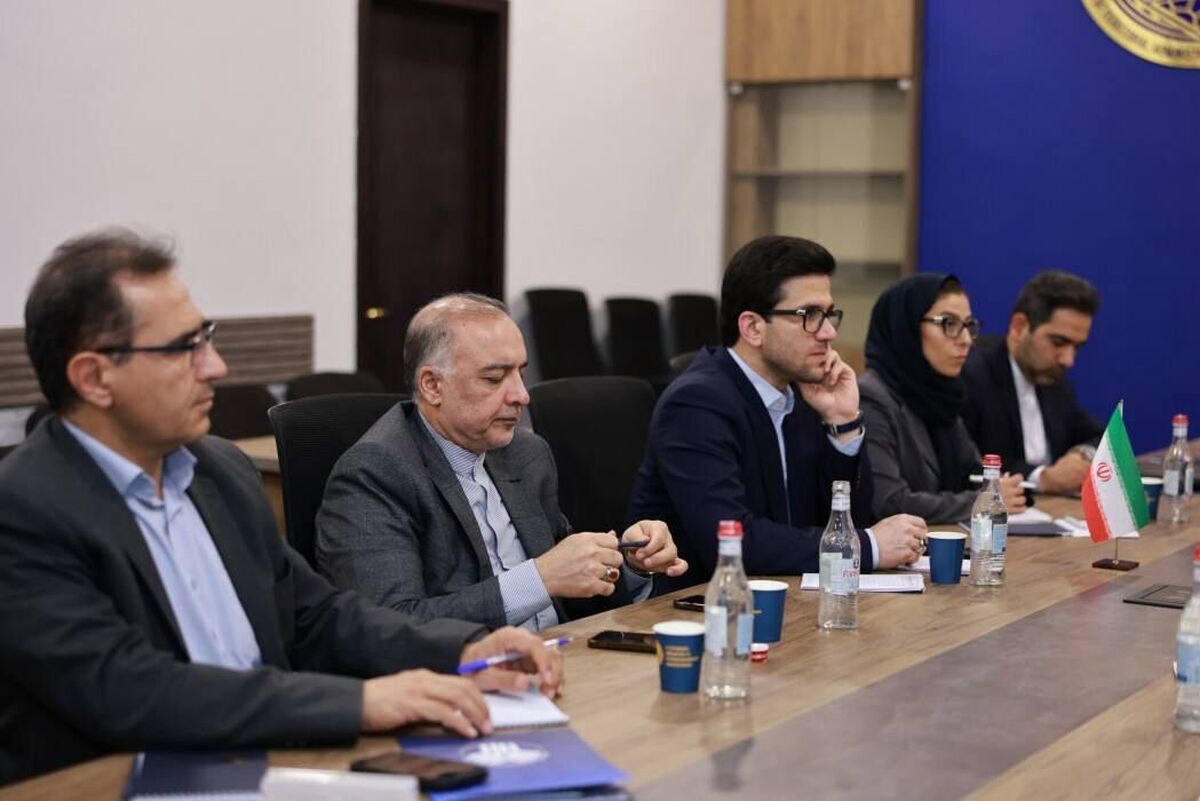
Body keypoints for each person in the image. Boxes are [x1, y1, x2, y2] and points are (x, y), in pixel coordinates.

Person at [0, 230, 562, 785]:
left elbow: (317, 614)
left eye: (206, 339)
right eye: (183, 348)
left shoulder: (218, 470)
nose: (215, 367)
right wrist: (359, 703)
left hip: (268, 762)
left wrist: (462, 648)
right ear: (95, 377)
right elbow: (130, 691)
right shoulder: (25, 507)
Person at [315, 294, 687, 631]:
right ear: (432, 385)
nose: (522, 396)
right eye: (495, 378)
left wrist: (628, 562)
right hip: (469, 676)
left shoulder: (526, 454)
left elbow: (569, 589)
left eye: (521, 374)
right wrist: (540, 578)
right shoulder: (375, 473)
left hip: (564, 657)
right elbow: (391, 628)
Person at [626, 235, 926, 593]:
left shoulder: (802, 392)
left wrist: (842, 422)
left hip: (787, 596)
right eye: (809, 315)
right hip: (703, 606)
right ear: (753, 328)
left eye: (829, 314)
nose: (828, 332)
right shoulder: (696, 404)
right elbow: (733, 541)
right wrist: (867, 546)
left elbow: (845, 519)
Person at [858, 273, 1028, 522]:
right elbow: (890, 502)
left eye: (969, 325)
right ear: (906, 328)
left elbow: (972, 472)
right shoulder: (870, 398)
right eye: (949, 323)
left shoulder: (941, 395)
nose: (966, 340)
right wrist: (983, 502)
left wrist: (1000, 487)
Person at [961, 270, 1103, 494]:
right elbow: (967, 464)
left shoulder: (1056, 382)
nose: (1068, 360)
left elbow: (1101, 437)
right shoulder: (970, 374)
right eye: (1058, 342)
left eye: (1076, 347)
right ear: (1019, 327)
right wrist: (1041, 478)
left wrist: (1083, 454)